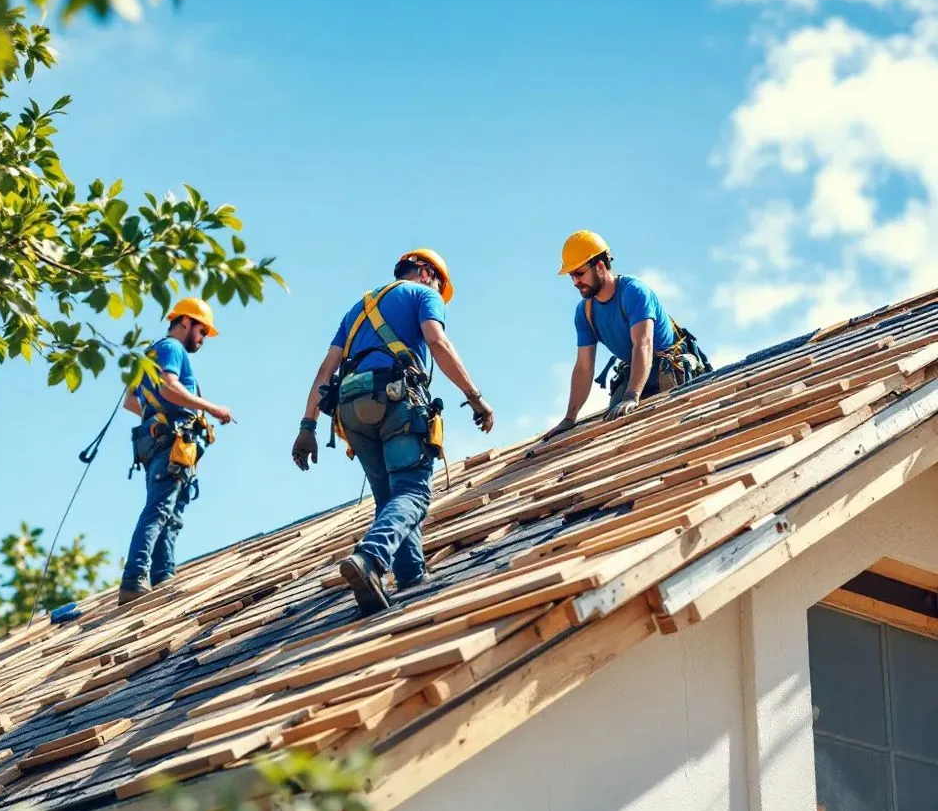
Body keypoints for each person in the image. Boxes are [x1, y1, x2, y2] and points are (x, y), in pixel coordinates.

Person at [292, 248, 494, 617]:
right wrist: (475, 397)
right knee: (414, 492)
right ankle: (370, 558)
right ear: (425, 272)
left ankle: (410, 576)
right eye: (437, 280)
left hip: (349, 409)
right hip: (393, 401)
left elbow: (325, 373)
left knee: (391, 500)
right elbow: (437, 342)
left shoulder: (357, 309)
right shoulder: (423, 295)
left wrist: (307, 428)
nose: (437, 287)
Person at [117, 298, 233, 605]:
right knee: (160, 510)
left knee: (171, 511)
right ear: (185, 322)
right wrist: (211, 408)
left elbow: (132, 402)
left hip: (161, 443)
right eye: (201, 331)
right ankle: (134, 577)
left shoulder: (150, 355)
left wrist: (157, 419)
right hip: (171, 443)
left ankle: (162, 576)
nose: (202, 339)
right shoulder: (171, 348)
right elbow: (169, 388)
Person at [544, 230, 710, 440]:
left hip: (666, 368)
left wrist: (632, 396)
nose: (575, 282)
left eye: (579, 273)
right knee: (616, 430)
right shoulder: (584, 313)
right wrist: (569, 418)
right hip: (635, 370)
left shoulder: (634, 291)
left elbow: (643, 344)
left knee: (670, 429)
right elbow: (584, 366)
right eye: (571, 276)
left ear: (600, 266)